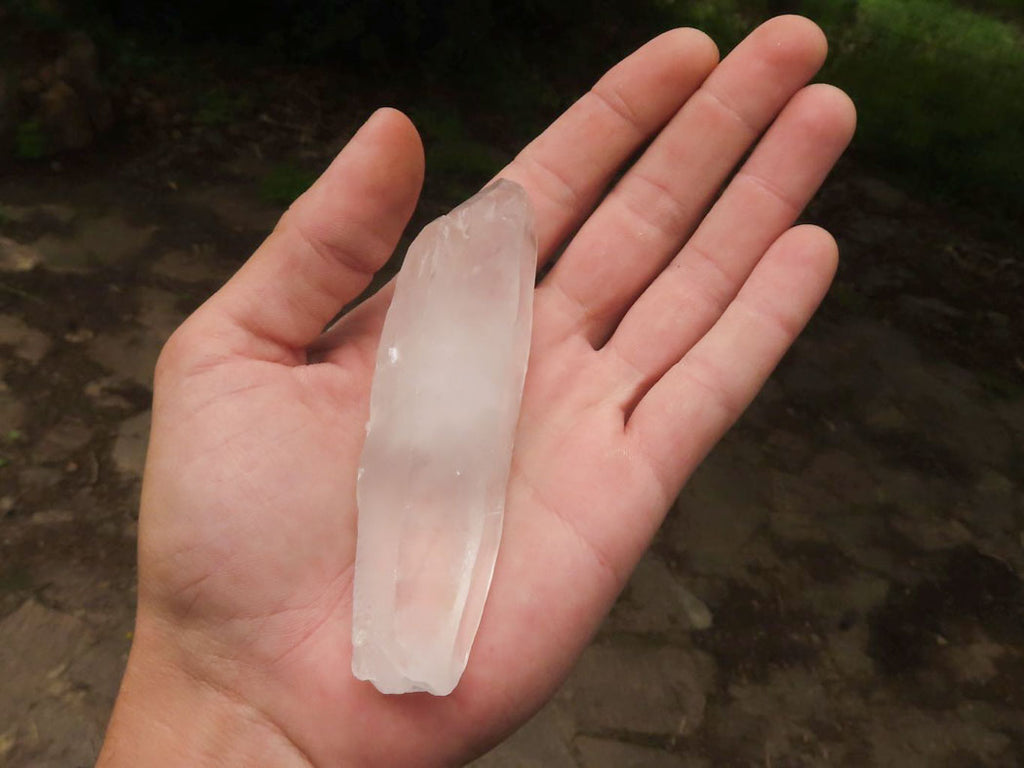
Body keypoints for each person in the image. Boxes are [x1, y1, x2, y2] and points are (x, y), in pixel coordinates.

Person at [96, 15, 855, 767]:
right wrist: (228, 693)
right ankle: (400, 649)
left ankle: (409, 649)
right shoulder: (456, 274)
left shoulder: (466, 271)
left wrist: (216, 704)